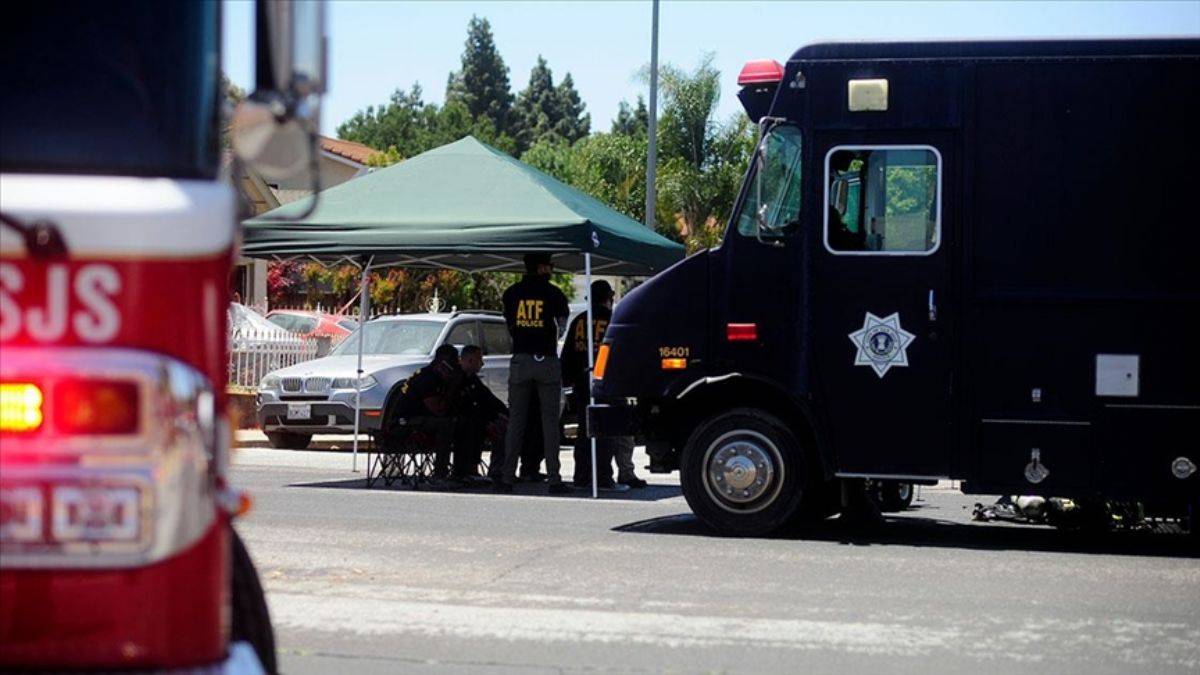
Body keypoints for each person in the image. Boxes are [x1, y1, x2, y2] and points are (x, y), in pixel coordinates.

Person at [495, 253, 570, 494]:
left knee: (516, 421)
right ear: (540, 268)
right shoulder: (554, 293)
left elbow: (509, 326)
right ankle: (554, 479)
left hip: (521, 358)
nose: (551, 268)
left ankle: (507, 476)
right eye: (548, 265)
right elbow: (561, 324)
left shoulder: (511, 293)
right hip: (545, 359)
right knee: (550, 423)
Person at [562, 280, 628, 492]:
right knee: (605, 432)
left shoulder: (580, 320)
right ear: (608, 297)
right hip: (607, 383)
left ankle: (581, 477)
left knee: (584, 432)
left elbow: (567, 355)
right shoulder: (612, 320)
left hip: (582, 384)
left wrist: (568, 381)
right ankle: (603, 478)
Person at [393, 344, 464, 485]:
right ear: (441, 364)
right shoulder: (427, 378)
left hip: (422, 418)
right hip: (404, 422)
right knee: (445, 425)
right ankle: (440, 474)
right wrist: (452, 387)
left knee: (462, 422)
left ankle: (463, 471)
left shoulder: (438, 377)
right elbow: (438, 409)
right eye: (450, 367)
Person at [452, 345, 507, 486]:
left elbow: (488, 399)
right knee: (472, 426)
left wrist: (505, 415)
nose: (482, 364)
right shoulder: (456, 379)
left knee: (505, 426)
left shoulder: (473, 380)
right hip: (460, 421)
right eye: (479, 360)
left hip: (479, 419)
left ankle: (497, 470)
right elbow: (462, 407)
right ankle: (468, 470)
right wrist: (487, 422)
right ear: (470, 360)